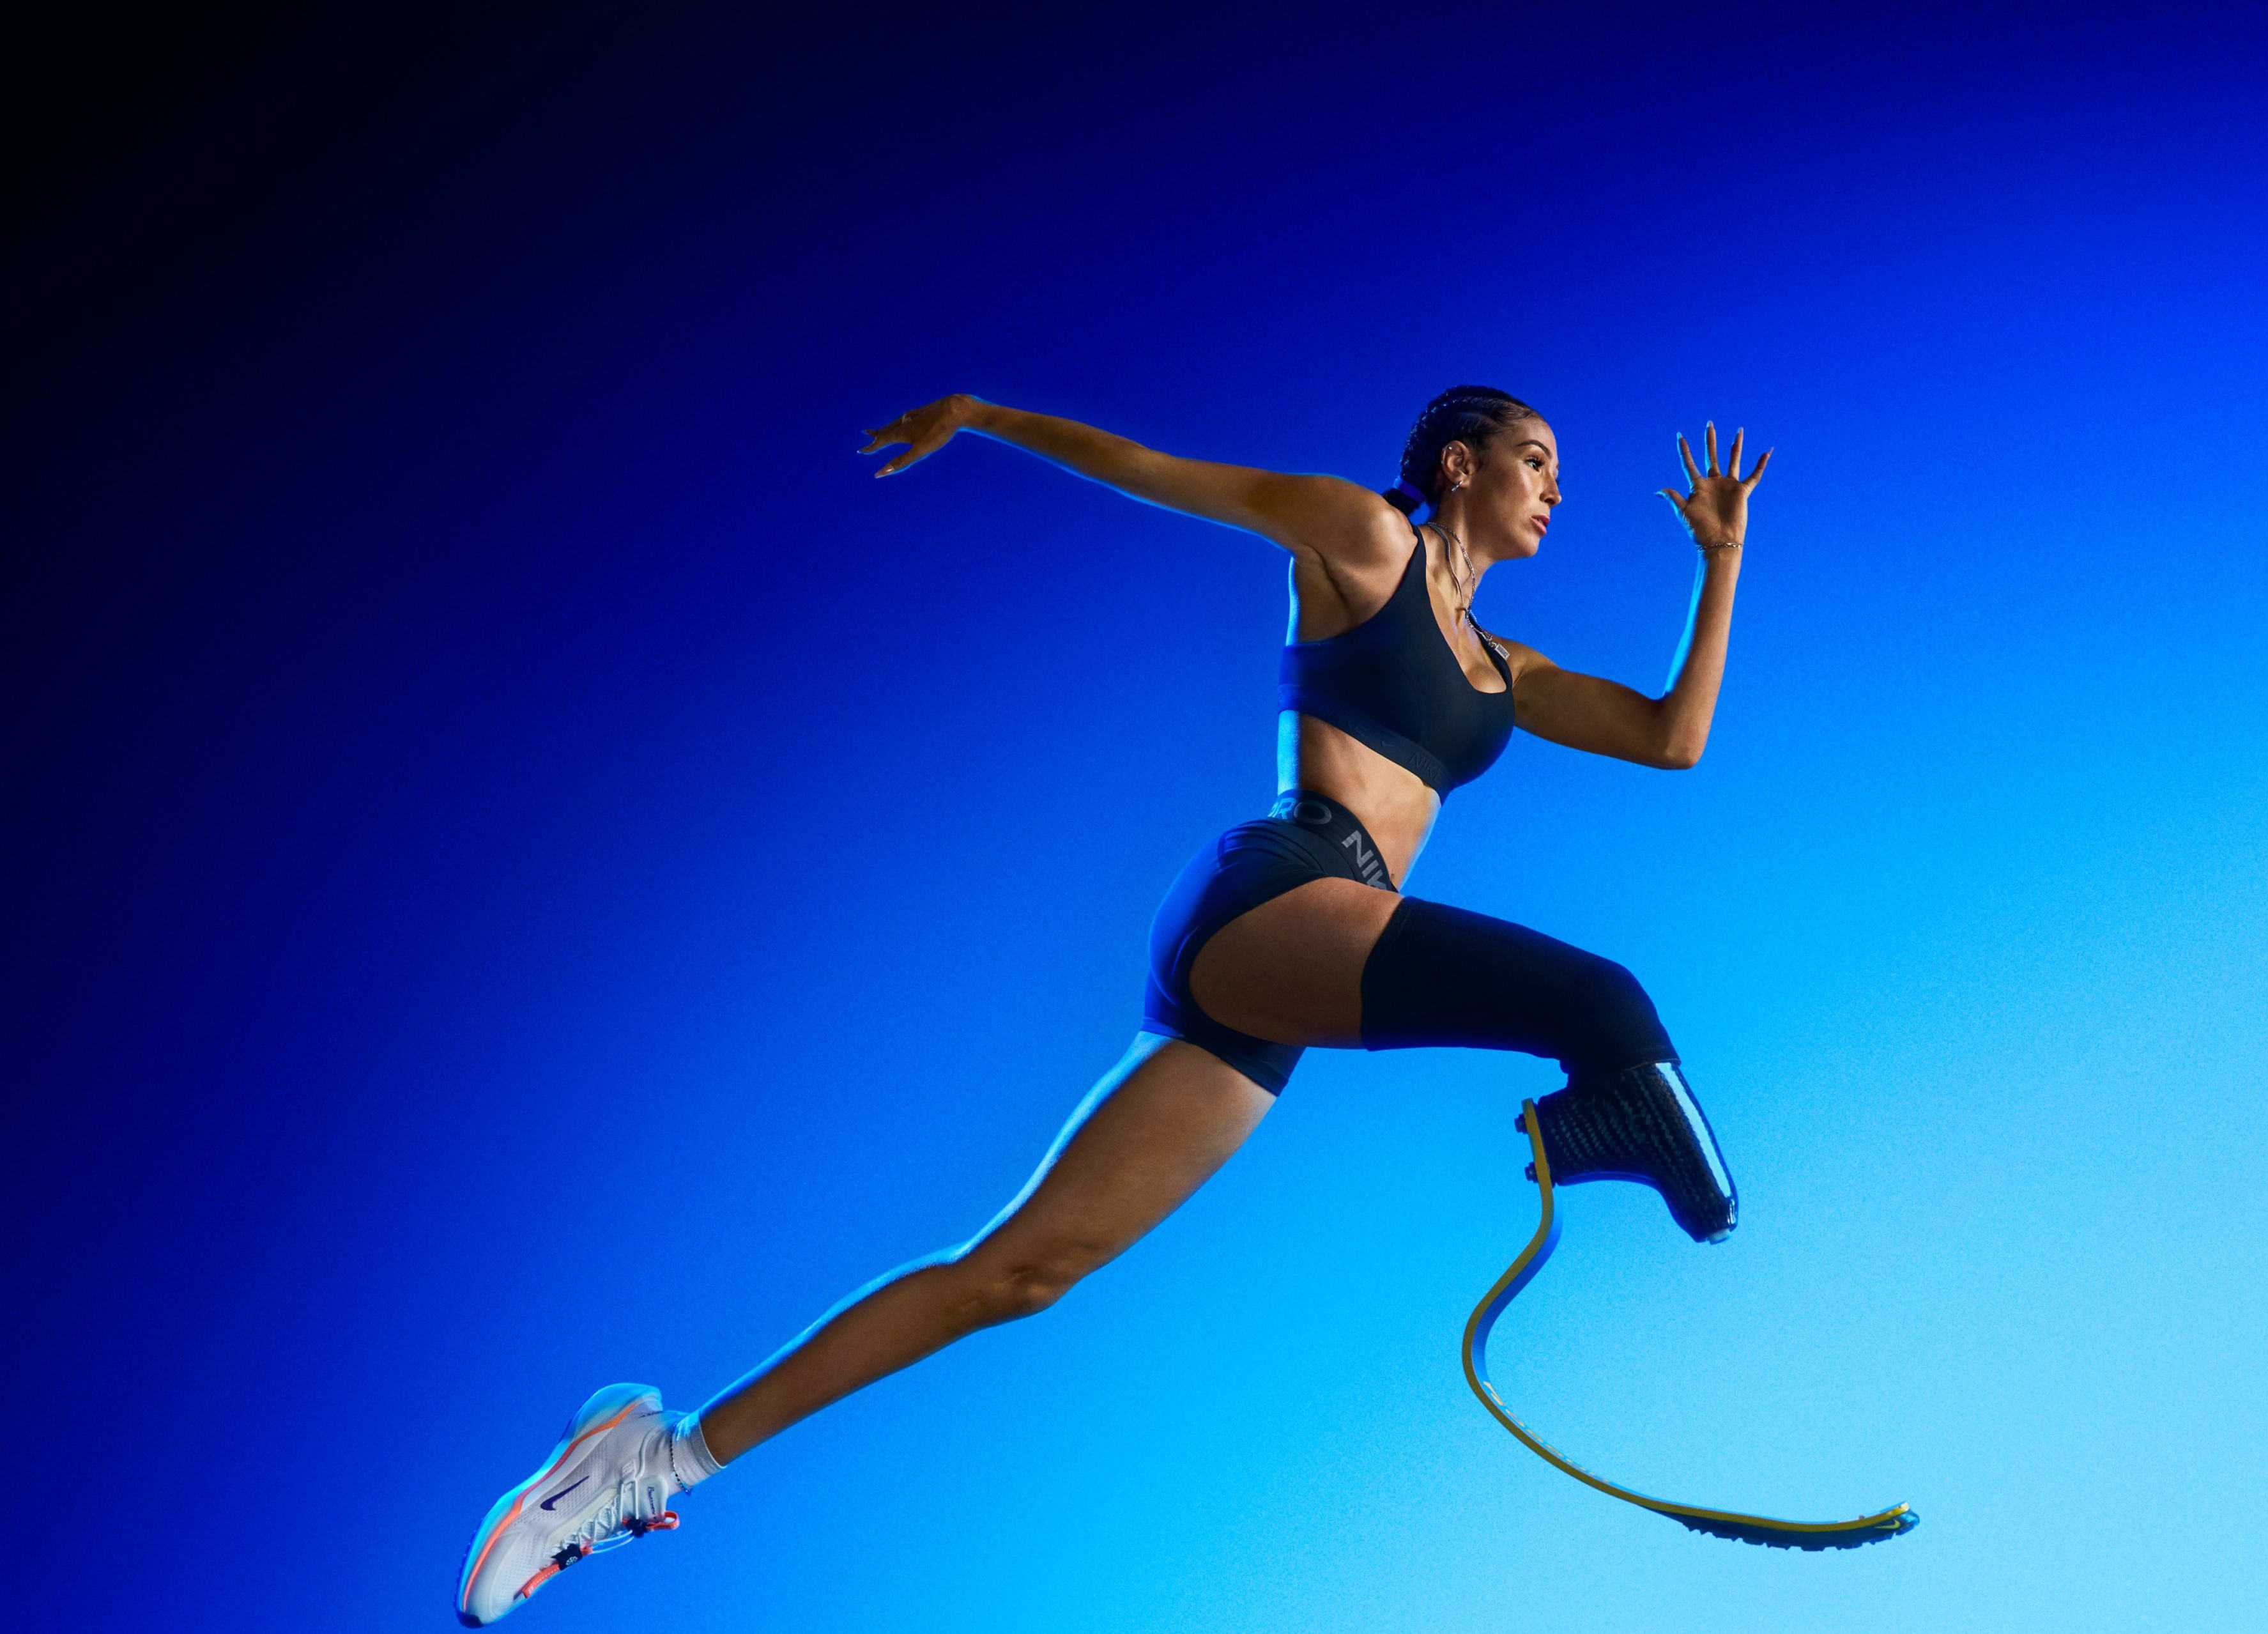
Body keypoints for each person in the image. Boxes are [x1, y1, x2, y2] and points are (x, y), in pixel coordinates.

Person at [457, 385, 1769, 1624]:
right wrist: (982, 415)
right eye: (1537, 459)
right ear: (1459, 462)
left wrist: (1719, 558)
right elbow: (1158, 473)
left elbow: (1673, 738)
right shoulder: (1362, 537)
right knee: (1602, 1000)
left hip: (1295, 980)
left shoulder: (1508, 667)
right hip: (1283, 891)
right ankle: (1607, 1127)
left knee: (1020, 1274)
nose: (1556, 487)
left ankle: (651, 1459)